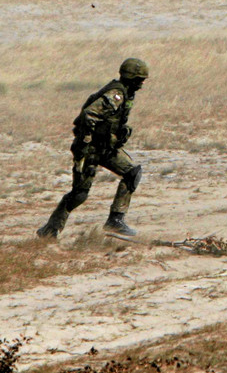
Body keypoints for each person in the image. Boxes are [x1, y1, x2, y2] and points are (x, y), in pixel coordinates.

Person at [36, 58, 149, 238]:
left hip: (106, 149)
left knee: (132, 173)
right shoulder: (115, 95)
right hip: (90, 150)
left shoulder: (127, 94)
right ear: (131, 78)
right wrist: (88, 140)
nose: (142, 84)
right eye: (140, 79)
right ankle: (50, 229)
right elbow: (89, 114)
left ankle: (115, 221)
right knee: (79, 194)